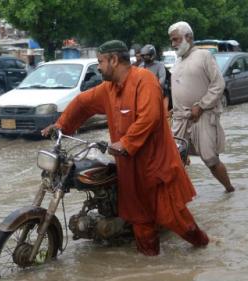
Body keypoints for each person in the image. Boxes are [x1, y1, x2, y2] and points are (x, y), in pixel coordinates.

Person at [41, 40, 209, 256]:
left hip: (156, 167)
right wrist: (61, 125)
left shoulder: (144, 80)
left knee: (175, 219)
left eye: (101, 61)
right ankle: (150, 266)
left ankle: (203, 246)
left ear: (113, 60)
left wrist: (126, 142)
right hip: (129, 169)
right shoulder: (108, 89)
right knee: (140, 222)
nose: (99, 67)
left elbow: (150, 117)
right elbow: (83, 103)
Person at [168, 21, 235, 193]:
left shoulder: (204, 56)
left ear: (188, 37)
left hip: (202, 115)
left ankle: (229, 189)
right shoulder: (177, 62)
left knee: (210, 158)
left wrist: (202, 105)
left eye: (176, 40)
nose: (173, 44)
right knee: (173, 158)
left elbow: (218, 84)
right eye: (172, 40)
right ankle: (179, 198)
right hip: (180, 118)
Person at [140, 44, 170, 111]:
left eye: (147, 55)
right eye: (143, 55)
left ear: (152, 55)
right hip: (144, 94)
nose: (145, 57)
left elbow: (162, 80)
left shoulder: (160, 65)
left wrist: (153, 88)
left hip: (158, 93)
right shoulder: (141, 66)